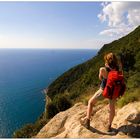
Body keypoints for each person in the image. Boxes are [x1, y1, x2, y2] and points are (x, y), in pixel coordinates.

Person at [80, 52, 119, 132]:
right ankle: (109, 126)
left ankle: (87, 122)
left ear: (107, 61)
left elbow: (100, 78)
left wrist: (106, 69)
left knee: (90, 102)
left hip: (104, 90)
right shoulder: (118, 68)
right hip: (113, 91)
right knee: (112, 109)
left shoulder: (103, 69)